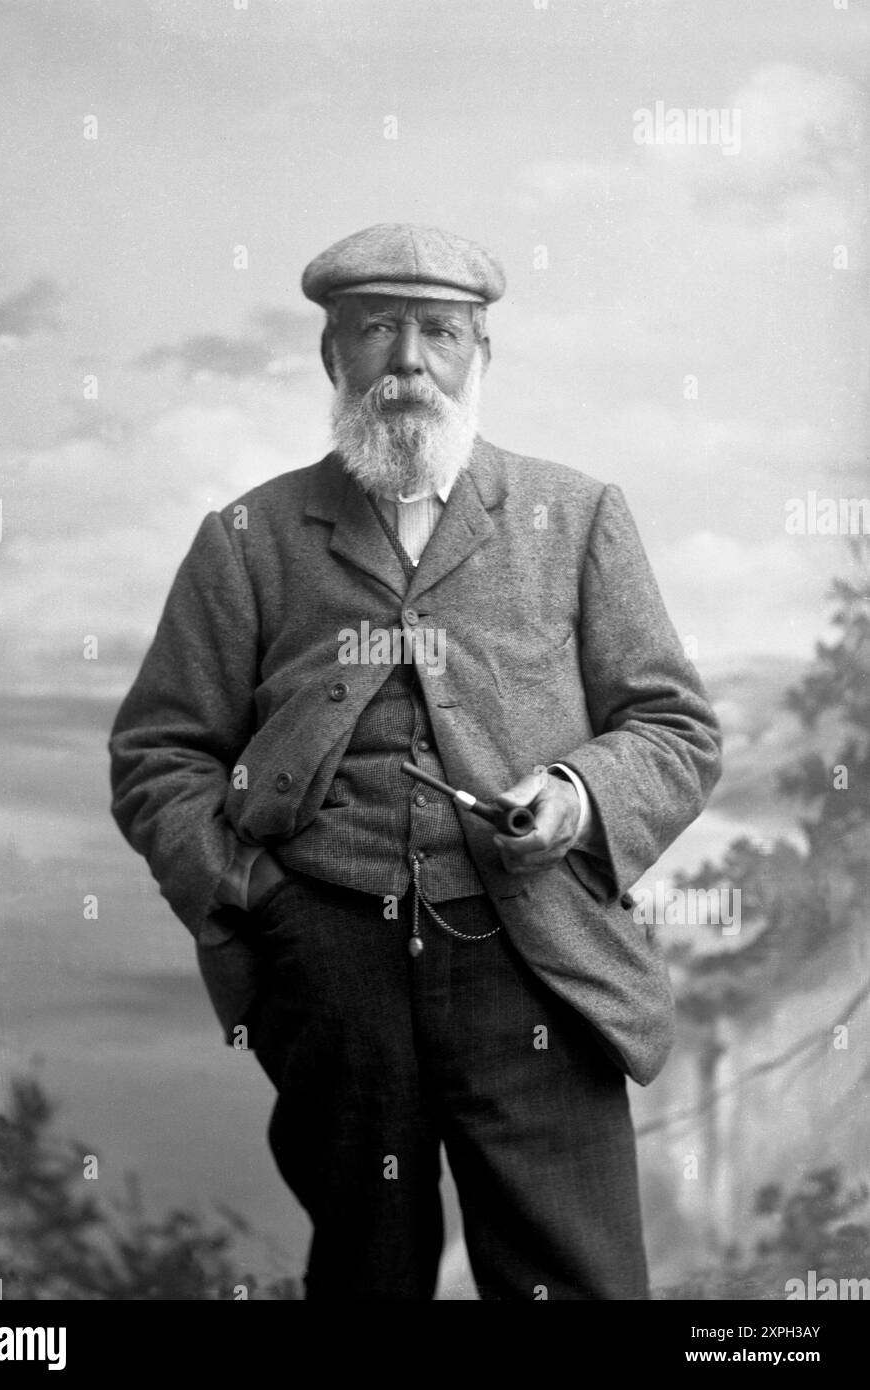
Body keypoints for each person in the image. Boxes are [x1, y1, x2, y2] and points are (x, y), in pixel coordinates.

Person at [108, 222, 722, 1301]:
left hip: (534, 961)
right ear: (329, 356)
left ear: (481, 356)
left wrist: (578, 796)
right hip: (329, 967)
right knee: (365, 1277)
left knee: (575, 1281)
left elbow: (675, 727)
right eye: (376, 330)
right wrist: (251, 894)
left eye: (438, 333)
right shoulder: (247, 538)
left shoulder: (575, 518)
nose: (406, 363)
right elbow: (159, 754)